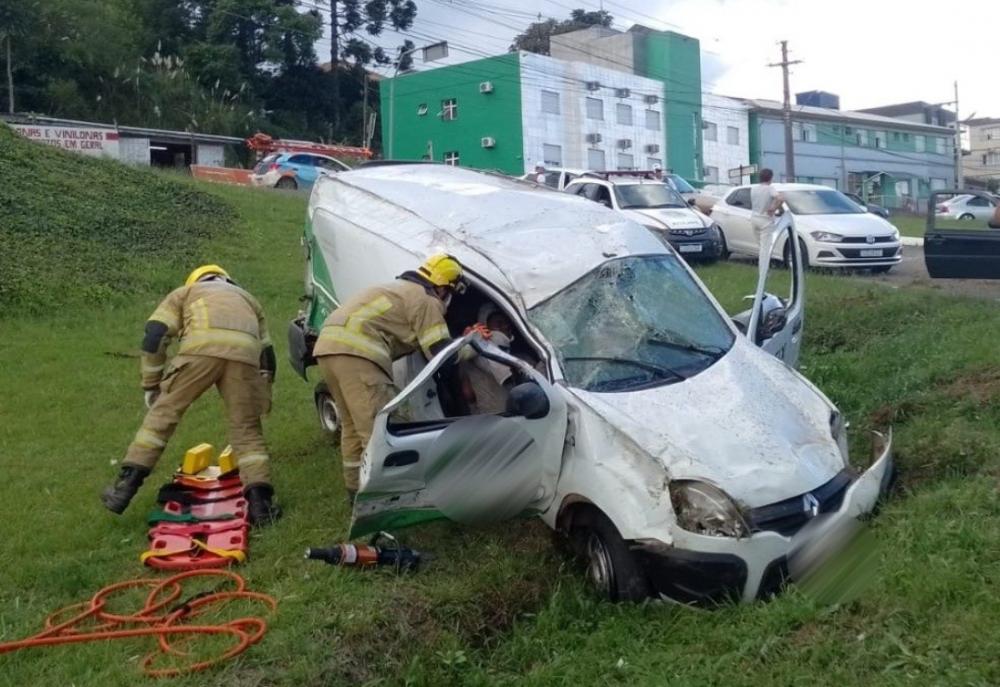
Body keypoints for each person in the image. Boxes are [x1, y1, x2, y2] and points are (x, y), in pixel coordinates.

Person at [101, 265, 281, 526]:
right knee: (247, 430)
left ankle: (122, 490)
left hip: (199, 352)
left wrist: (151, 385)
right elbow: (267, 355)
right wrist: (262, 394)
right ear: (228, 280)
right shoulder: (249, 299)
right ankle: (261, 507)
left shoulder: (185, 293)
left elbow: (154, 335)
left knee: (161, 419)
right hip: (244, 358)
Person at [313, 254, 465, 501]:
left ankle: (355, 491)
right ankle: (385, 499)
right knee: (380, 431)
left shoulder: (400, 289)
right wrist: (471, 346)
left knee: (352, 426)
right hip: (357, 353)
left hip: (328, 348)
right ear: (443, 287)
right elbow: (441, 354)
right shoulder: (427, 300)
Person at [460, 308, 518, 415]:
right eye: (499, 323)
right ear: (485, 327)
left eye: (506, 322)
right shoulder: (478, 345)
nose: (505, 326)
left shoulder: (515, 355)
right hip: (493, 414)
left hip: (504, 412)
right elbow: (467, 391)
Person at [750, 168, 785, 281]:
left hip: (754, 219)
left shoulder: (754, 189)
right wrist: (773, 208)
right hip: (765, 220)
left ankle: (765, 271)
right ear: (770, 178)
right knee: (765, 250)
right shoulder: (770, 189)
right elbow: (780, 198)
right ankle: (763, 275)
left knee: (761, 247)